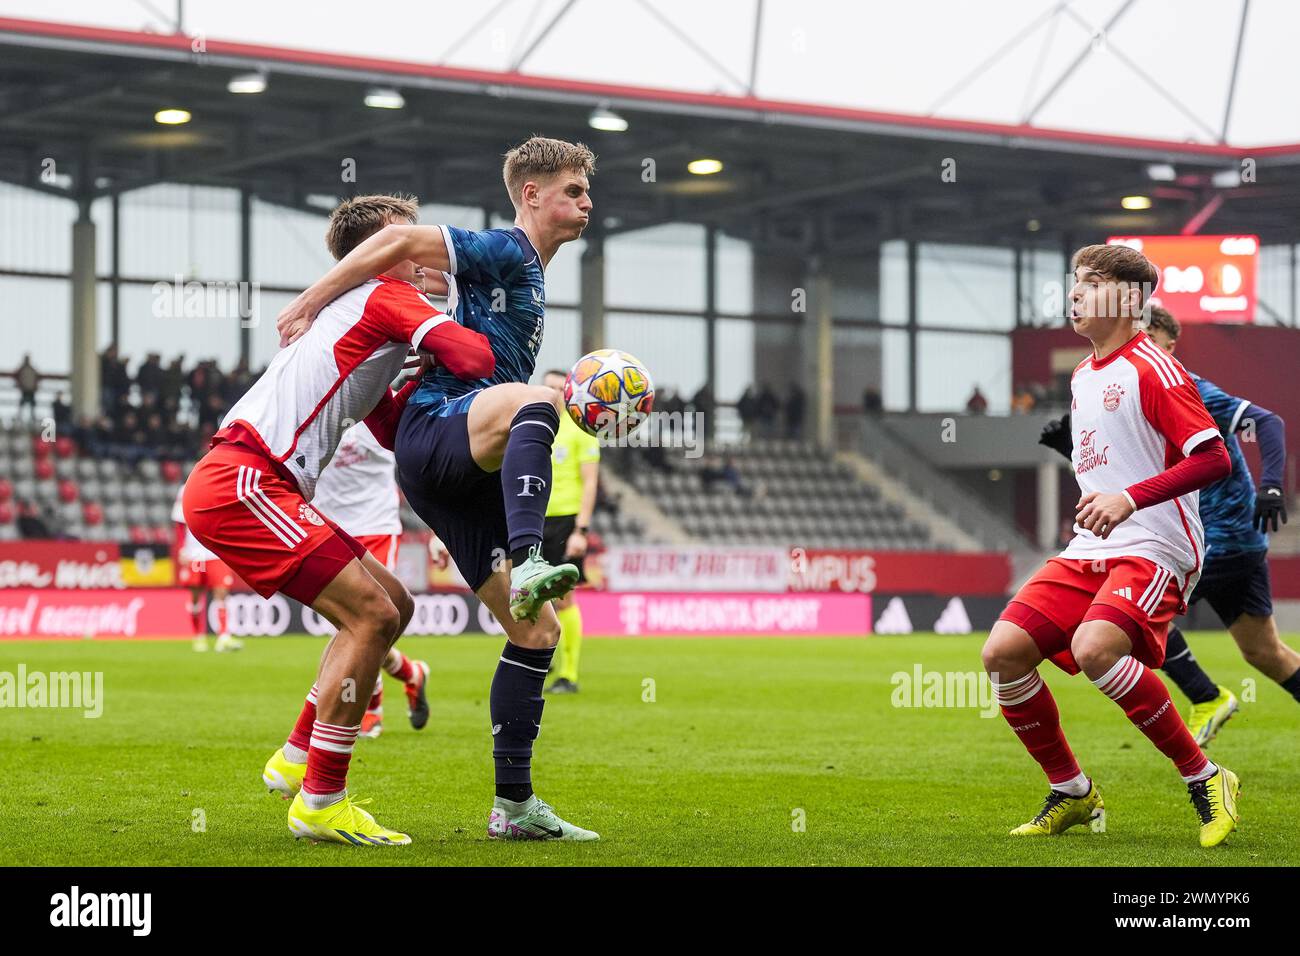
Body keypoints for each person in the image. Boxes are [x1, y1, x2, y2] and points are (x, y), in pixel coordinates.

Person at [275, 137, 600, 842]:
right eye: (573, 189)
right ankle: (530, 559)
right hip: (439, 427)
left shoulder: (529, 277)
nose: (586, 202)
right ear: (532, 194)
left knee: (535, 632)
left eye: (586, 190)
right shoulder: (505, 250)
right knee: (536, 404)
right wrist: (312, 299)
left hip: (455, 465)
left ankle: (513, 807)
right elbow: (394, 238)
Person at [184, 192, 495, 847]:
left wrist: (419, 389)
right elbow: (475, 358)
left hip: (251, 479)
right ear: (383, 248)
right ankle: (321, 800)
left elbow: (385, 427)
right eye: (411, 238)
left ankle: (300, 757)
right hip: (247, 480)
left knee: (394, 604)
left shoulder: (356, 314)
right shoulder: (385, 296)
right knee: (373, 616)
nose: (430, 250)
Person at [983, 243, 1239, 848]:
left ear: (1127, 299)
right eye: (1074, 283)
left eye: (1089, 283)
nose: (1073, 294)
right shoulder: (1083, 374)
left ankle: (1207, 777)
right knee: (1003, 652)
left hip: (1155, 544)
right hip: (1091, 546)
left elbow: (1215, 458)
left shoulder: (1155, 367)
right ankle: (1073, 792)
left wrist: (1128, 497)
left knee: (1095, 648)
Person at [1040, 305, 1298, 746]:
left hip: (1215, 537)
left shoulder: (1184, 384)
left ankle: (1207, 696)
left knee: (1125, 614)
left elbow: (1266, 421)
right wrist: (1073, 451)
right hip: (1228, 542)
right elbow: (1135, 473)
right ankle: (1207, 696)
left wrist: (1271, 486)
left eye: (1146, 334)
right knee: (1263, 652)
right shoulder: (1119, 390)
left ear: (1167, 343)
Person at [311, 421, 431, 739]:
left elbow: (418, 464)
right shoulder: (315, 410)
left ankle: (370, 710)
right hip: (330, 528)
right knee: (350, 627)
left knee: (367, 619)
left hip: (376, 524)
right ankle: (411, 673)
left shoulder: (382, 408)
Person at [539, 369, 601, 695]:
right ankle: (540, 653)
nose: (550, 393)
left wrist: (582, 529)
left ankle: (569, 675)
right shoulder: (533, 424)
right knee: (526, 594)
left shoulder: (581, 430)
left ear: (566, 393)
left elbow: (591, 482)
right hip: (532, 518)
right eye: (545, 387)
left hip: (565, 521)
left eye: (556, 389)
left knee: (564, 598)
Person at [172, 483, 242, 653]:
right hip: (194, 552)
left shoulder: (224, 486)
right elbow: (180, 523)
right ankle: (198, 636)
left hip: (216, 550)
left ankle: (223, 637)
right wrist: (181, 548)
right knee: (196, 595)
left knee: (222, 592)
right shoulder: (185, 488)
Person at [15, 354, 39, 424]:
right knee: (23, 405)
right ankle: (20, 418)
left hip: (30, 390)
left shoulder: (29, 369)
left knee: (31, 405)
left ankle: (32, 418)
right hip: (25, 390)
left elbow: (36, 379)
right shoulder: (24, 369)